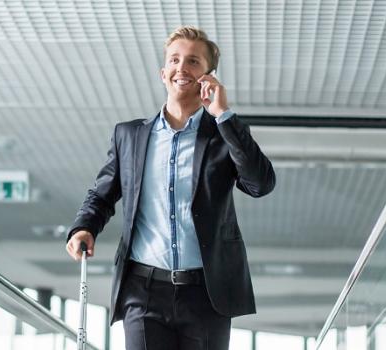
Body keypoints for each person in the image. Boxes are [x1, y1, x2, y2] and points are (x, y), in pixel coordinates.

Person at [65, 26, 275, 349]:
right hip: (143, 290)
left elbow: (260, 184)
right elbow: (102, 193)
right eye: (175, 60)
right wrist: (84, 227)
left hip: (206, 294)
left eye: (193, 61)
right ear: (163, 73)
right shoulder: (130, 136)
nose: (182, 68)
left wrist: (223, 115)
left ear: (208, 76)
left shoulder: (223, 138)